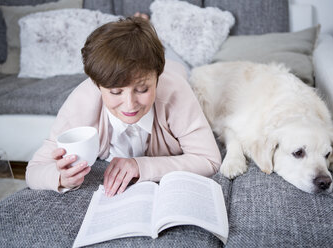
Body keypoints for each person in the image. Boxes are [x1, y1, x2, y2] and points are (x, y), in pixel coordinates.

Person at [26, 17, 221, 196]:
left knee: (178, 61)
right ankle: (140, 25)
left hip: (175, 68)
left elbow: (210, 160)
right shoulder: (81, 102)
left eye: (142, 89)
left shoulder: (176, 92)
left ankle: (146, 27)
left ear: (156, 79)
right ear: (97, 85)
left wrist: (140, 166)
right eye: (116, 92)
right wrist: (61, 177)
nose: (130, 105)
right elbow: (34, 170)